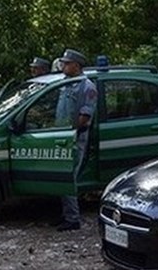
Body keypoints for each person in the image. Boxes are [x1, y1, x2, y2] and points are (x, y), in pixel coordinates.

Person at [54, 49, 97, 232]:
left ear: (76, 66)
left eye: (67, 63)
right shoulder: (65, 84)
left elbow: (85, 117)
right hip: (60, 137)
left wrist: (69, 132)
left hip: (75, 138)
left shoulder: (87, 87)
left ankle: (73, 219)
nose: (63, 66)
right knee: (60, 178)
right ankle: (65, 215)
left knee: (68, 178)